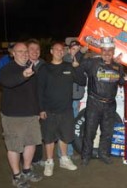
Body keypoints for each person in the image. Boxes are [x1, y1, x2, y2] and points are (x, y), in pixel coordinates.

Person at [38, 42, 86, 176]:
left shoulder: (69, 67)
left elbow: (82, 81)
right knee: (48, 137)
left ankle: (64, 159)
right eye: (57, 49)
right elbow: (39, 90)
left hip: (66, 109)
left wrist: (77, 68)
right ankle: (49, 162)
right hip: (49, 110)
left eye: (62, 50)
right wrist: (41, 109)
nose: (59, 51)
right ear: (51, 51)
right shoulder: (44, 68)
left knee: (65, 135)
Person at [0, 42, 43, 188]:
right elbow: (6, 82)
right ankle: (17, 175)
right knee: (14, 146)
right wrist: (23, 75)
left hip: (31, 115)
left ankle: (26, 169)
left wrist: (37, 110)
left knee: (31, 143)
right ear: (13, 53)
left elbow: (35, 92)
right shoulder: (7, 68)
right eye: (20, 51)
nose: (24, 53)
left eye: (26, 51)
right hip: (13, 116)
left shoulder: (31, 67)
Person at [76, 36, 125, 166]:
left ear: (113, 52)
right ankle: (85, 157)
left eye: (110, 51)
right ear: (101, 51)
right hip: (94, 103)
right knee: (89, 131)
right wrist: (82, 50)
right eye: (104, 50)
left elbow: (122, 82)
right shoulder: (92, 63)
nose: (107, 53)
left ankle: (104, 154)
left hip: (110, 104)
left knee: (107, 132)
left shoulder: (118, 67)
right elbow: (77, 61)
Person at [57, 39, 86, 160]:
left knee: (71, 125)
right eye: (73, 49)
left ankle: (68, 152)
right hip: (68, 99)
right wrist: (81, 53)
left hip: (76, 98)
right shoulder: (67, 60)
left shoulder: (77, 60)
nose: (76, 51)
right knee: (66, 126)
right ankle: (63, 154)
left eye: (78, 49)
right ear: (68, 50)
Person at [26, 38, 46, 167]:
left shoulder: (44, 64)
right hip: (26, 106)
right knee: (27, 135)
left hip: (41, 105)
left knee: (39, 134)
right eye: (32, 49)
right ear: (26, 51)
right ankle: (27, 162)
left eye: (37, 49)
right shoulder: (22, 64)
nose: (35, 51)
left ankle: (37, 159)